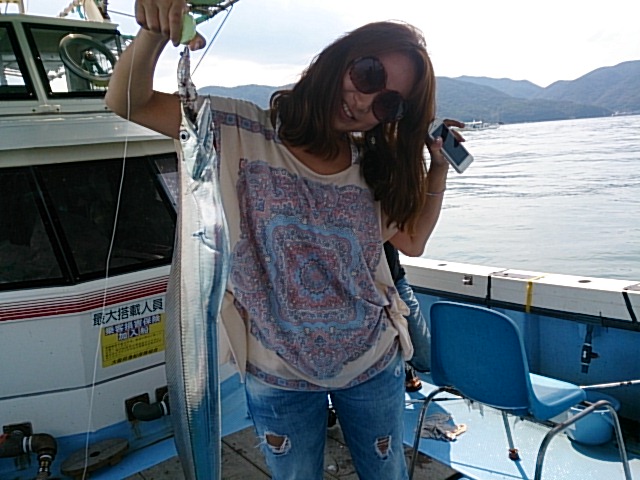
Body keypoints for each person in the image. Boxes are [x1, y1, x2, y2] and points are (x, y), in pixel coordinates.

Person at [106, 5, 458, 478]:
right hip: (277, 370)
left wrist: (437, 169)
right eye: (367, 75)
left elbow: (412, 241)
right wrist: (153, 30)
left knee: (386, 472)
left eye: (387, 104)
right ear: (339, 58)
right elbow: (129, 102)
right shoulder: (234, 130)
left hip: (373, 361)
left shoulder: (373, 166)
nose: (363, 102)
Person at [383, 242, 431, 393]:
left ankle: (406, 366)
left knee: (424, 356)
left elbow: (412, 247)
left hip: (395, 280)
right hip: (362, 287)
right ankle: (404, 368)